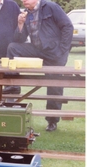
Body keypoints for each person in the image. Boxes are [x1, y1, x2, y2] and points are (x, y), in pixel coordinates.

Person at [5, 0, 73, 131]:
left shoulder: (50, 7)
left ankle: (52, 121)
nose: (24, 1)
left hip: (55, 53)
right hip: (37, 49)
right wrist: (20, 24)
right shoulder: (25, 14)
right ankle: (13, 86)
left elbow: (68, 26)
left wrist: (63, 50)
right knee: (12, 48)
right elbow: (19, 39)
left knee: (55, 86)